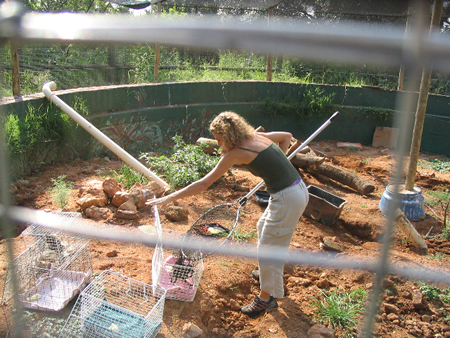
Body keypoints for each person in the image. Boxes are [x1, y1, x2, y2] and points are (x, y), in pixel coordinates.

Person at [145, 111, 309, 316]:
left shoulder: (236, 152)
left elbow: (204, 183)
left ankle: (266, 299)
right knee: (263, 230)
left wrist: (169, 197)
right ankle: (267, 276)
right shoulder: (256, 137)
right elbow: (286, 136)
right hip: (294, 190)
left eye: (219, 138)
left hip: (288, 198)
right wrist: (275, 170)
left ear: (230, 135)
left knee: (270, 247)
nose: (217, 141)